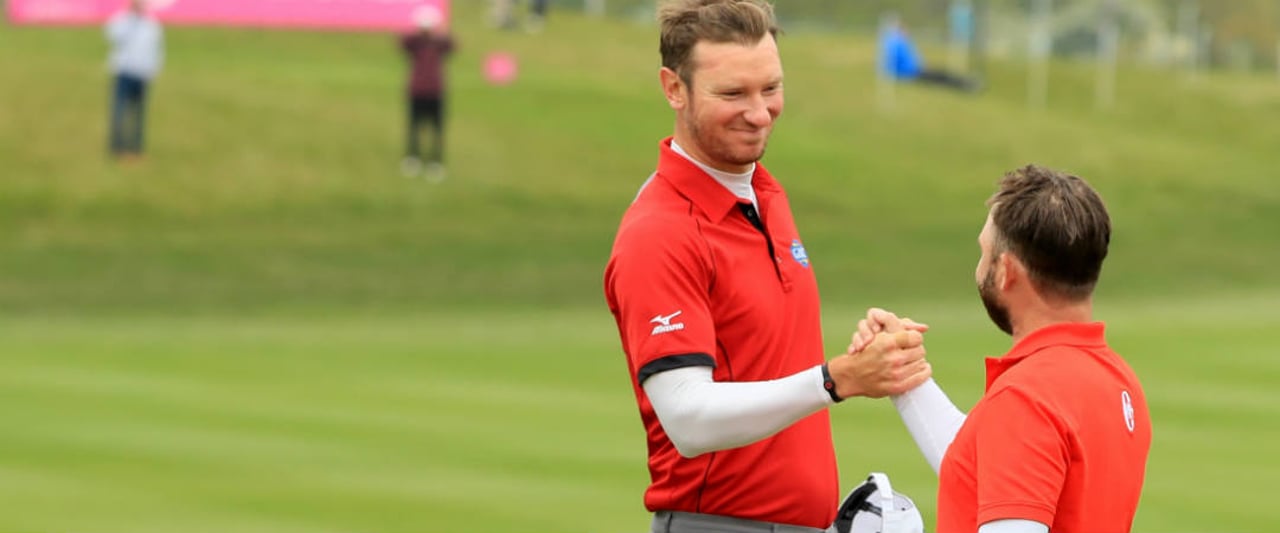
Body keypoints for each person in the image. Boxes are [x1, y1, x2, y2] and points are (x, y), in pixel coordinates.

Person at [602, 1, 932, 531]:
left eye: (770, 89)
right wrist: (836, 379)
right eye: (732, 93)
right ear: (673, 88)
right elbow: (687, 417)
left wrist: (862, 359)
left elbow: (767, 360)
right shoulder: (660, 232)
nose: (759, 113)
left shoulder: (762, 191)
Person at [850, 165, 1152, 533]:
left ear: (1007, 270)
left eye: (984, 252)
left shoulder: (1026, 399)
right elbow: (984, 473)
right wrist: (905, 377)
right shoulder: (1120, 382)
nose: (979, 267)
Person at [399, 7, 454, 182]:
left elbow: (452, 45)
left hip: (436, 90)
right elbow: (403, 43)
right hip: (417, 90)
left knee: (437, 128)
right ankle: (413, 157)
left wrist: (441, 32)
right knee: (414, 126)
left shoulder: (439, 43)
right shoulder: (416, 43)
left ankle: (435, 160)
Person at [105, 0, 164, 160]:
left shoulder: (151, 25)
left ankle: (136, 148)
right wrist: (130, 18)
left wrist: (153, 70)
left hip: (142, 74)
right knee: (119, 111)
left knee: (138, 114)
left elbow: (157, 49)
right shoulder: (123, 21)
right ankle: (117, 148)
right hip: (124, 72)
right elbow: (113, 35)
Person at [879, 15, 979, 93]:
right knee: (942, 77)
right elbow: (891, 63)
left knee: (942, 73)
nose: (907, 31)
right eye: (905, 29)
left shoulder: (901, 42)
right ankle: (968, 86)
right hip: (913, 74)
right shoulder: (896, 42)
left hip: (918, 70)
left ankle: (967, 83)